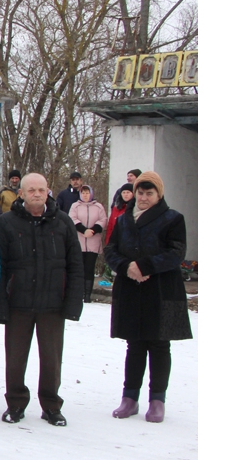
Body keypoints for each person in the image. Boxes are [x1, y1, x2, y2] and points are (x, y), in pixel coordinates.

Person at [0, 173, 84, 427]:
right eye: (30, 190)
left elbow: (75, 266)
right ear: (20, 193)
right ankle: (16, 403)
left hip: (52, 304)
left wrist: (73, 302)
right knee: (15, 357)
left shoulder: (63, 223)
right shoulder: (6, 223)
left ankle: (51, 405)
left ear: (48, 192)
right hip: (18, 302)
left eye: (41, 190)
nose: (36, 194)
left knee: (52, 359)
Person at [103, 172, 191, 423]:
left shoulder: (173, 218)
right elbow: (110, 250)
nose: (143, 197)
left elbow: (176, 252)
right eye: (140, 192)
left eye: (148, 193)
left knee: (160, 344)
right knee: (135, 344)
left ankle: (157, 400)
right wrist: (126, 266)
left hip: (161, 289)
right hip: (131, 288)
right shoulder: (123, 220)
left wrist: (144, 266)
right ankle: (129, 398)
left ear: (158, 195)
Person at [69, 184, 108, 303]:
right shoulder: (75, 206)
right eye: (83, 193)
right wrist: (83, 229)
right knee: (79, 268)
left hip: (93, 241)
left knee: (89, 268)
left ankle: (87, 294)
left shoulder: (98, 206)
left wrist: (93, 230)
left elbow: (103, 220)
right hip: (79, 241)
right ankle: (79, 292)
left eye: (87, 193)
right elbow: (72, 219)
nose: (85, 195)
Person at [104, 183, 134, 247]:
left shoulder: (135, 207)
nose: (125, 195)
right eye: (123, 192)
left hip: (129, 242)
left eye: (128, 192)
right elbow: (110, 226)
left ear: (133, 193)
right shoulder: (116, 207)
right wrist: (108, 242)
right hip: (115, 241)